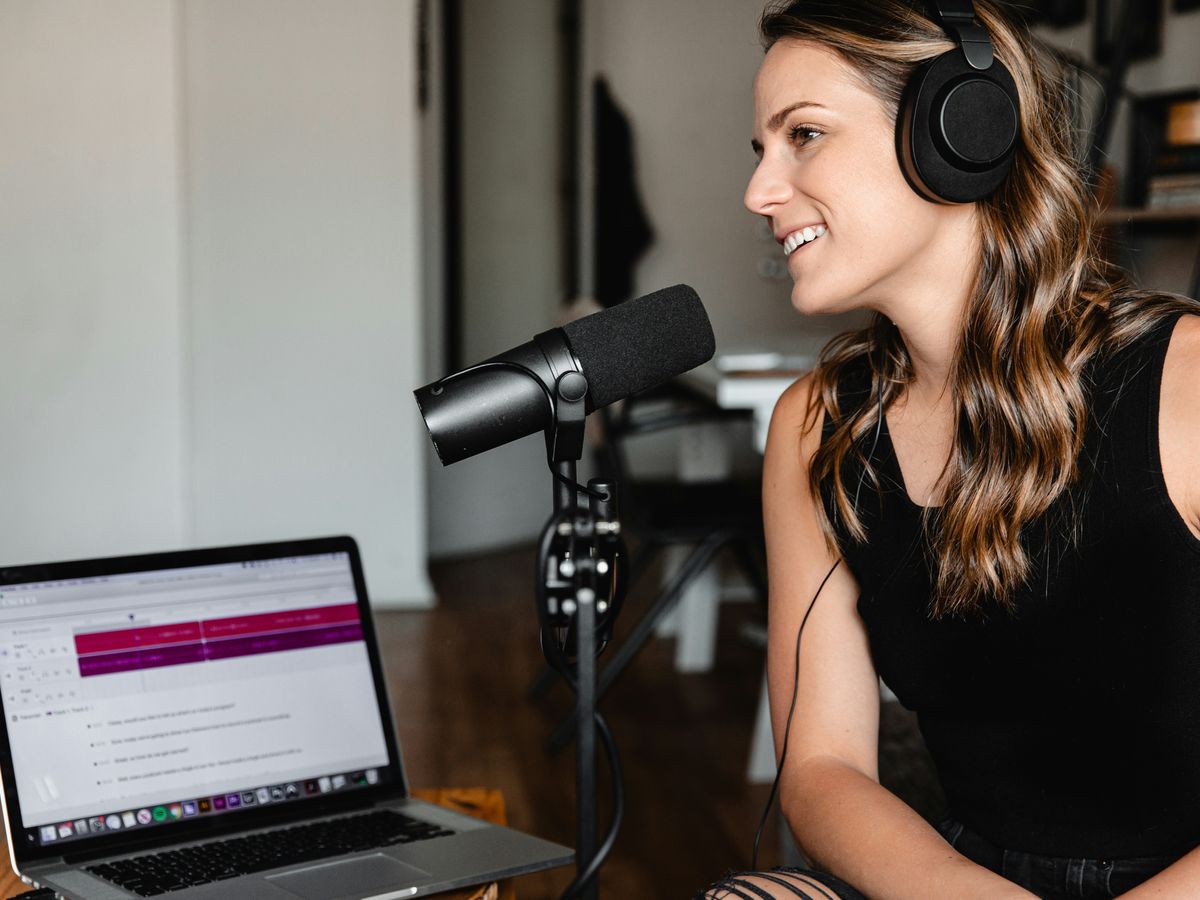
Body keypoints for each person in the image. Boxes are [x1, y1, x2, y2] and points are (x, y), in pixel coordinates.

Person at [699, 1, 1200, 898]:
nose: (759, 192)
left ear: (961, 130)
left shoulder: (1186, 382)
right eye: (760, 151)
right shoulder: (816, 427)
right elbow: (821, 768)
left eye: (803, 135)